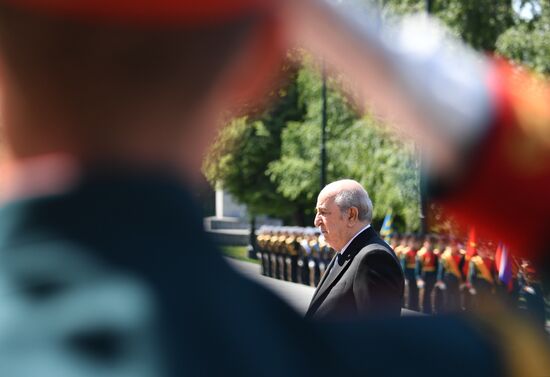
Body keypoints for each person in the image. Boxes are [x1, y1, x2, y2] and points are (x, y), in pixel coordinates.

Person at [305, 179, 404, 319]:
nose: (316, 221)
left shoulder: (374, 259)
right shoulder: (347, 251)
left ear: (351, 215)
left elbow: (377, 336)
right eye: (317, 212)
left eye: (323, 212)